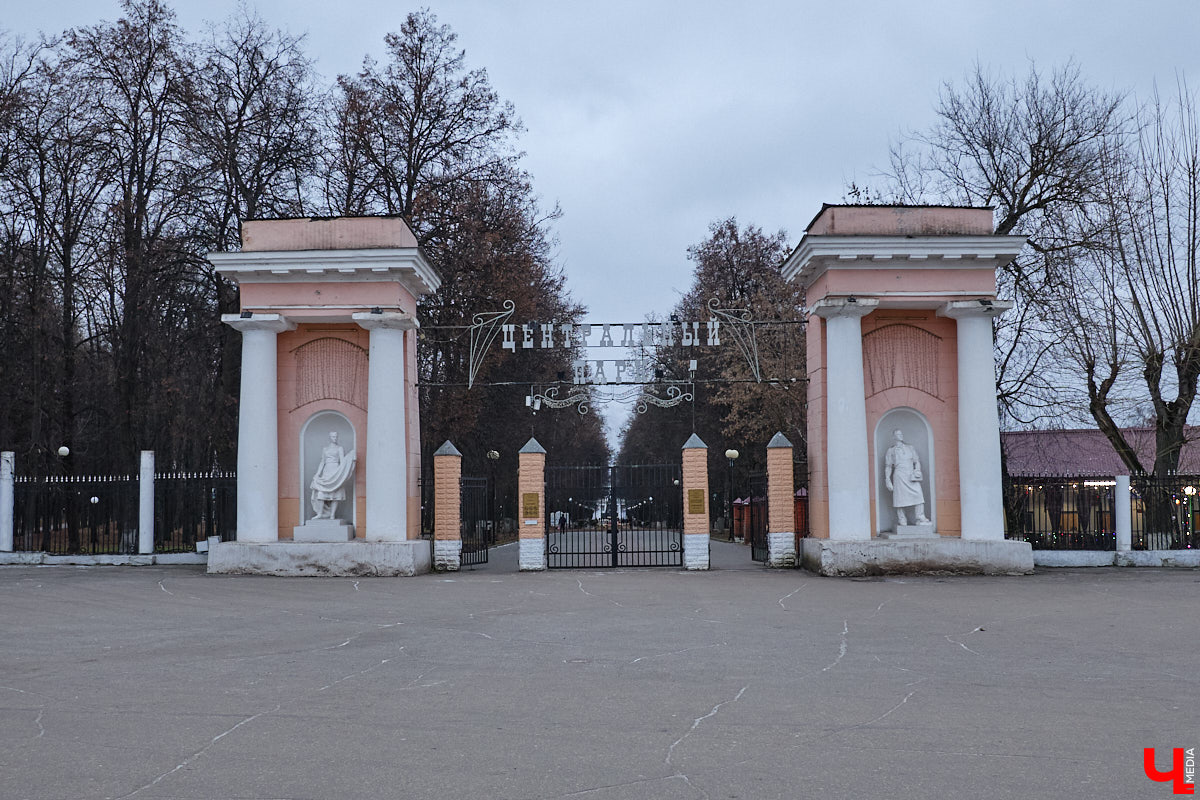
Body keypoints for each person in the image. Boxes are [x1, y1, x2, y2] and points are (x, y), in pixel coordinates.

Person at [884, 429, 929, 526]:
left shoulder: (910, 448)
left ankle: (920, 517)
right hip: (899, 475)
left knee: (918, 495)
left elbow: (916, 461)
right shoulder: (891, 450)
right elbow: (888, 466)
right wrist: (887, 479)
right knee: (899, 498)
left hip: (910, 475)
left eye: (901, 434)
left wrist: (917, 470)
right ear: (894, 437)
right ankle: (902, 519)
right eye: (898, 434)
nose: (901, 436)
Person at [310, 431, 354, 520]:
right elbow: (322, 462)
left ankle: (332, 515)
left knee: (335, 493)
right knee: (321, 493)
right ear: (330, 437)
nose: (335, 438)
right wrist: (318, 474)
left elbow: (342, 462)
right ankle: (320, 513)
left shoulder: (340, 448)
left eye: (336, 436)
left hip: (335, 470)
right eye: (333, 437)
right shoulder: (325, 449)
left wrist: (341, 473)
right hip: (326, 470)